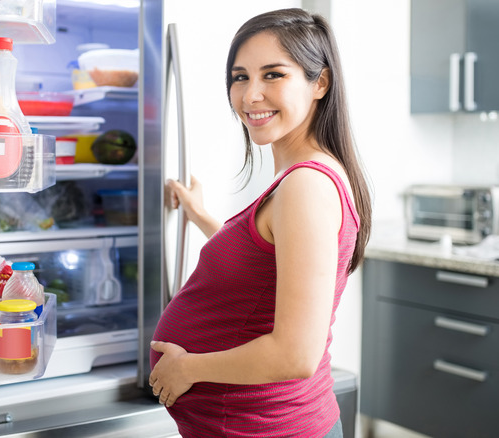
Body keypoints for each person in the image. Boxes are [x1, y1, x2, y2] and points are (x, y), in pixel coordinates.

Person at [148, 8, 372, 438]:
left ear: (319, 82)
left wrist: (186, 369)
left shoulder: (307, 184)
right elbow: (263, 270)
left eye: (273, 75)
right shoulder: (305, 176)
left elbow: (295, 355)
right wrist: (201, 217)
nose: (251, 95)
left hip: (270, 429)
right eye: (239, 77)